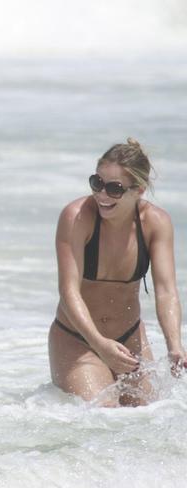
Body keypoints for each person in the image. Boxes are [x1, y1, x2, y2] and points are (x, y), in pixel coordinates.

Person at [49, 138, 185, 406]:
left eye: (114, 189)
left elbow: (166, 291)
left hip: (129, 340)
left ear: (139, 190)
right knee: (104, 415)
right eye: (97, 183)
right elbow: (68, 291)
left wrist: (175, 346)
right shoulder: (77, 217)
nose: (102, 195)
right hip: (78, 340)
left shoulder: (156, 223)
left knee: (146, 421)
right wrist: (99, 344)